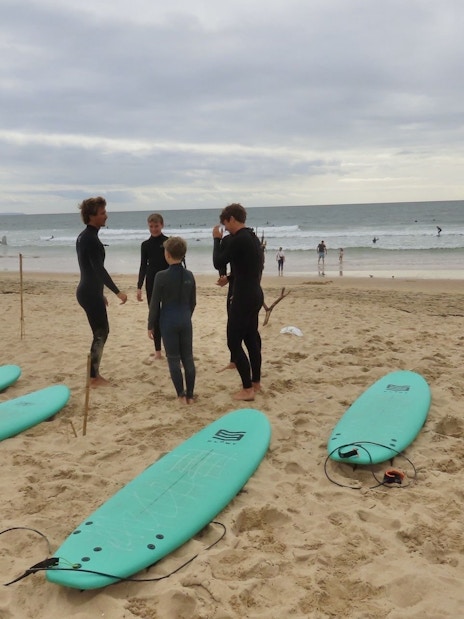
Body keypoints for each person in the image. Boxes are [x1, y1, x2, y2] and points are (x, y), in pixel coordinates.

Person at [212, 203, 264, 401]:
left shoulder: (238, 239)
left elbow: (218, 262)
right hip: (255, 293)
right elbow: (249, 267)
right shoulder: (252, 237)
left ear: (232, 219)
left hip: (243, 297)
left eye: (225, 224)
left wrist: (216, 240)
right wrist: (231, 278)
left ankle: (247, 389)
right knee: (251, 338)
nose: (225, 228)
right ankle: (256, 382)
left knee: (233, 342)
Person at [76, 196, 127, 388]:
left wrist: (100, 292)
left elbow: (88, 268)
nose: (106, 215)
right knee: (101, 332)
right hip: (89, 292)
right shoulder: (91, 239)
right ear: (92, 216)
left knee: (100, 332)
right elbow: (98, 269)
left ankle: (93, 375)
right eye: (102, 213)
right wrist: (117, 292)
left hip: (88, 291)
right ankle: (93, 377)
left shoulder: (84, 236)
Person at [148, 237, 196, 404]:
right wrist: (186, 316)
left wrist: (150, 325)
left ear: (167, 254)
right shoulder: (189, 275)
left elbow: (154, 304)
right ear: (183, 255)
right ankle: (190, 395)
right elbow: (193, 302)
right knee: (188, 358)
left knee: (173, 358)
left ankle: (181, 395)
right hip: (185, 319)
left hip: (168, 320)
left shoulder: (160, 276)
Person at [137, 213, 169, 363]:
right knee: (154, 315)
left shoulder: (168, 242)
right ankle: (157, 352)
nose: (154, 229)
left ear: (162, 225)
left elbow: (175, 263)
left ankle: (170, 349)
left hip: (167, 281)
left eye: (156, 226)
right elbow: (143, 266)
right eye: (151, 226)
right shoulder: (145, 245)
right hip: (151, 282)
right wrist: (139, 287)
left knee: (168, 315)